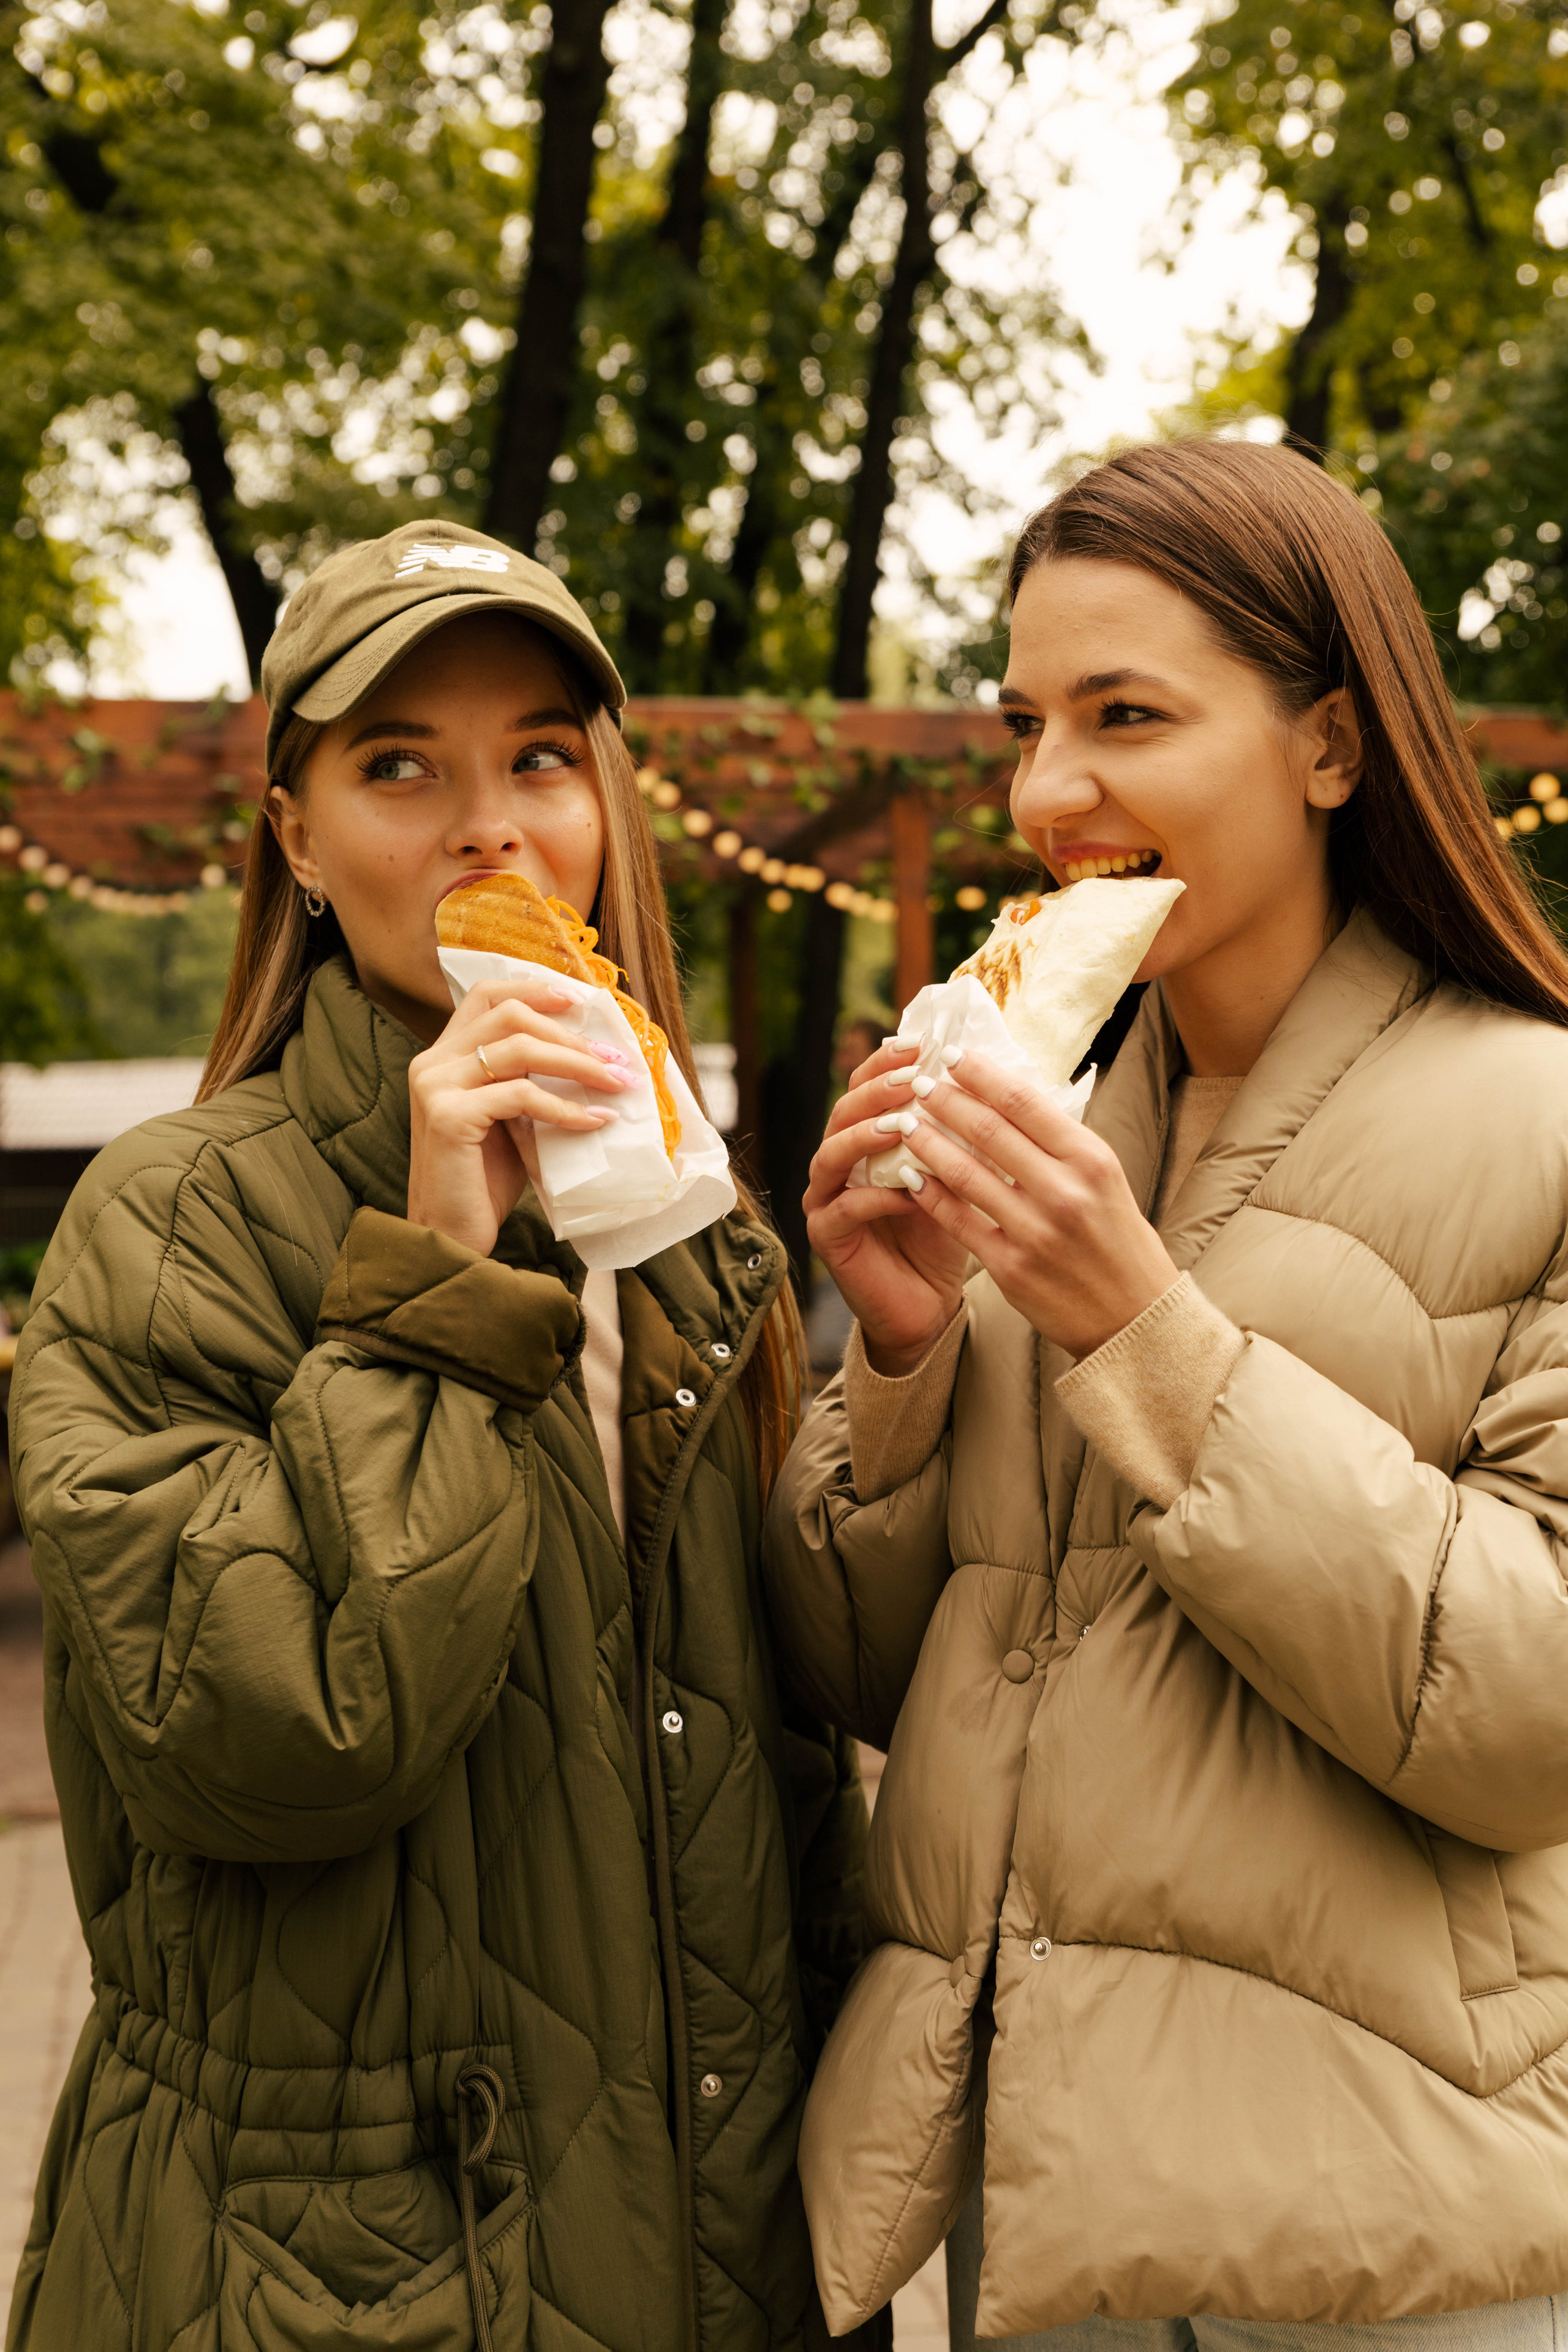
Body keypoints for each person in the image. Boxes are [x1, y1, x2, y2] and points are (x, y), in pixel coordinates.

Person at [6, 518, 875, 2352]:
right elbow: (274, 1736)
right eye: (400, 767)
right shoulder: (169, 1220)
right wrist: (436, 1277)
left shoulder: (690, 1229)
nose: (491, 827)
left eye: (540, 759)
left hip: (722, 2257)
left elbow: (808, 1733)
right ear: (297, 837)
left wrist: (922, 1352)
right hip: (334, 2285)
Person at [764, 439, 1568, 2352]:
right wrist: (902, 1355)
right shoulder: (1039, 1129)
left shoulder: (1544, 1122)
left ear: (1331, 746)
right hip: (1048, 2230)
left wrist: (1146, 1332)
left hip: (1394, 2253)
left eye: (1125, 717)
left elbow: (1537, 1718)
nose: (1049, 792)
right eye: (1027, 724)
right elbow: (864, 1683)